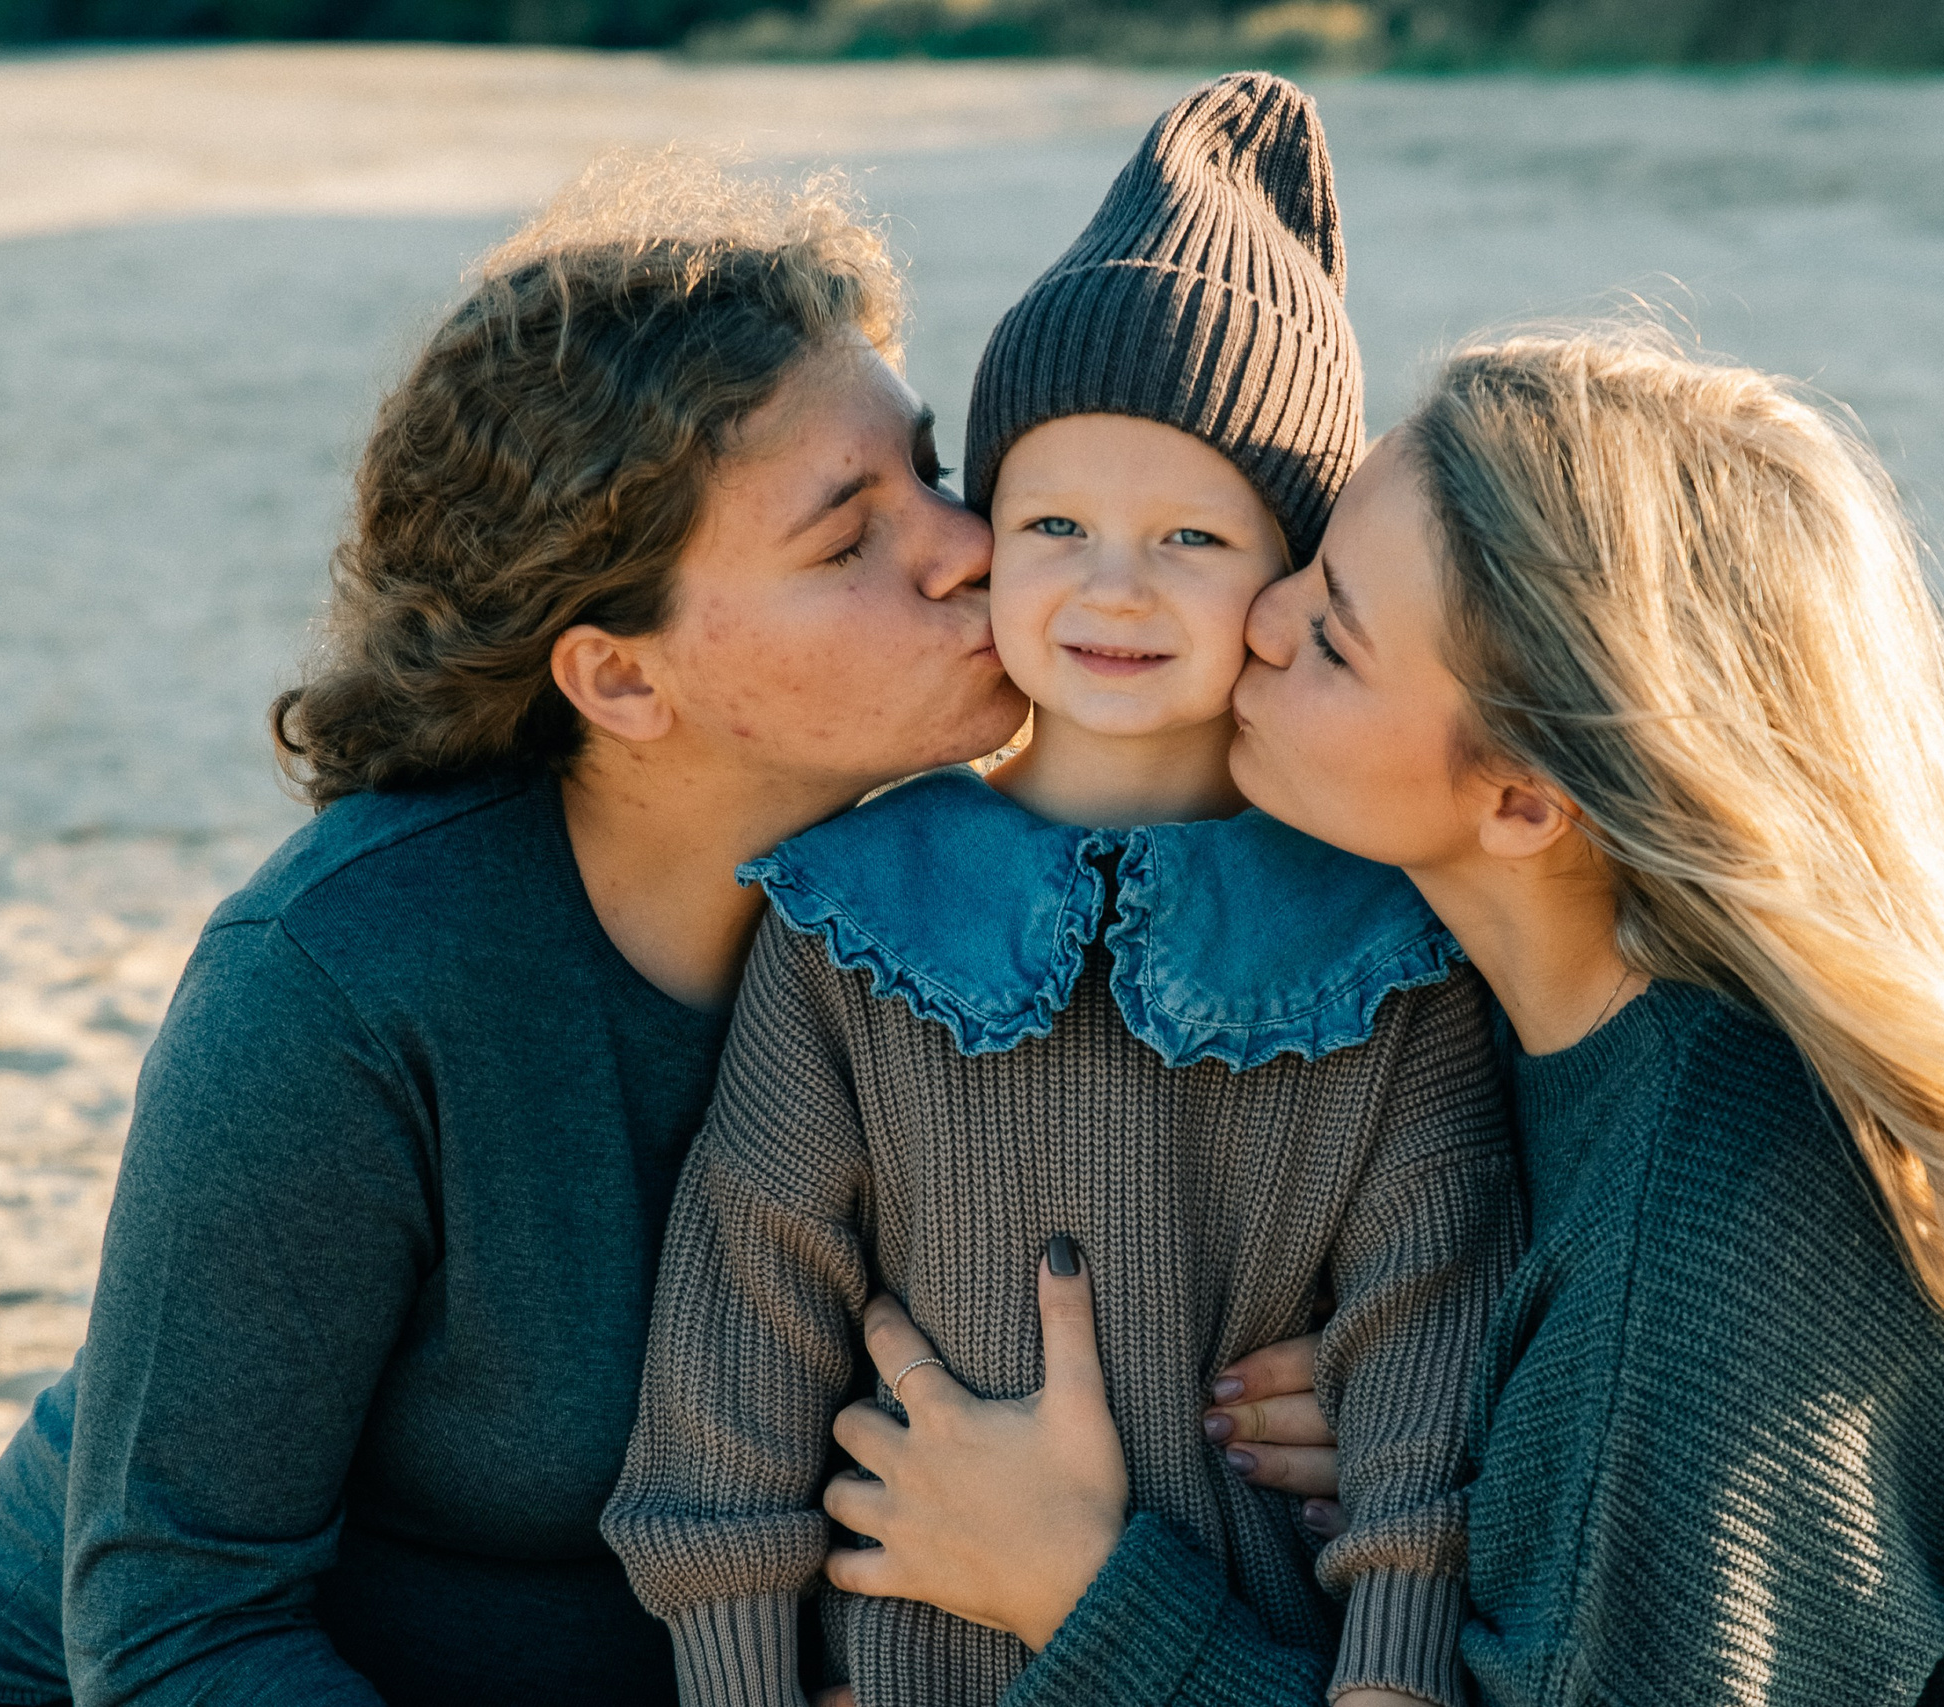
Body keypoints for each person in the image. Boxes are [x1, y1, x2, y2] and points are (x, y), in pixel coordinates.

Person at [790, 327, 1944, 1706]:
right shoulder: (1583, 1037)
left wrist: (1077, 1594)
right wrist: (1482, 1416)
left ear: (1527, 797)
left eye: (1331, 632)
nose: (1256, 617)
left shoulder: (1722, 1234)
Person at [0, 153, 1030, 1707]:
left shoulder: (979, 899)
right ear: (621, 681)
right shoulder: (338, 982)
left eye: (935, 467)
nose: (968, 542)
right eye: (846, 541)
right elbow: (174, 1626)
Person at [598, 75, 1516, 1707]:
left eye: (1191, 537)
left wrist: (1389, 1678)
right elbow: (744, 1325)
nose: (1112, 585)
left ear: (1293, 572)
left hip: (1250, 1667)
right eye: (1054, 522)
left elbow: (1424, 1358)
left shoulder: (1390, 939)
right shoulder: (849, 905)